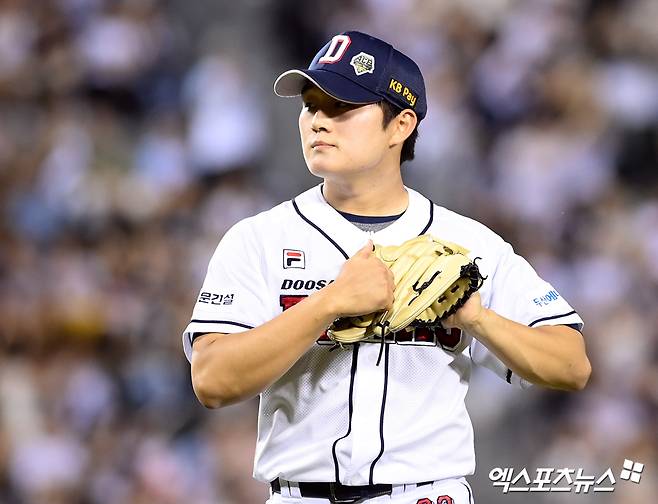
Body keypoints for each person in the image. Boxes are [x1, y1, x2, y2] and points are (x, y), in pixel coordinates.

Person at [182, 31, 591, 504]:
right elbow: (212, 381)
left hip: (425, 494)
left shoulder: (467, 244)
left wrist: (477, 318)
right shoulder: (258, 239)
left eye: (342, 107)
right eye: (311, 106)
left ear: (401, 125)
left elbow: (571, 364)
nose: (318, 122)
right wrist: (329, 304)